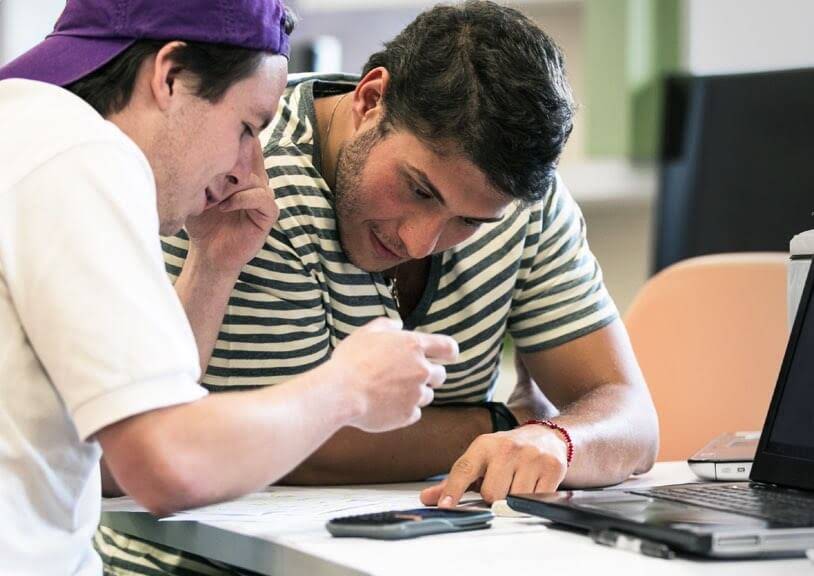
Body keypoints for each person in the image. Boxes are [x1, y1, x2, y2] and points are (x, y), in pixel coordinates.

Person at [99, 1, 659, 573]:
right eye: (419, 190)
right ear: (370, 100)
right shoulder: (247, 177)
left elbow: (632, 418)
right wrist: (504, 425)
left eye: (468, 222)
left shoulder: (518, 204)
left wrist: (560, 442)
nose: (421, 241)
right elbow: (299, 448)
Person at [0, 0, 459, 573]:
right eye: (247, 127)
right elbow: (167, 463)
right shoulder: (82, 155)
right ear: (170, 76)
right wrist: (350, 386)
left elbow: (117, 462)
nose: (247, 169)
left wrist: (214, 264)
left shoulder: (25, 131)